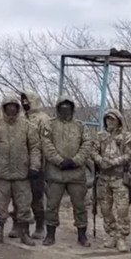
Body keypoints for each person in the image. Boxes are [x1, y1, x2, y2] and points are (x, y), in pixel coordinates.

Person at [0, 94, 41, 245]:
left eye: (14, 106)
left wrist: (34, 166)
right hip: (1, 174)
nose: (11, 109)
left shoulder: (27, 126)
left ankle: (25, 233)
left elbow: (35, 148)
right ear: (4, 108)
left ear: (18, 108)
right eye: (8, 106)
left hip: (22, 174)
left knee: (24, 205)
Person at [40, 94, 94, 246]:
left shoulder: (80, 126)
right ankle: (50, 235)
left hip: (76, 173)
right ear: (57, 109)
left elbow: (87, 144)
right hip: (55, 173)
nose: (65, 110)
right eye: (62, 108)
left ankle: (82, 236)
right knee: (51, 205)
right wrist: (59, 160)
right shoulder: (49, 125)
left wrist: (75, 161)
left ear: (72, 109)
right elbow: (46, 144)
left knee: (80, 205)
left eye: (68, 108)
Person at [92, 109, 131, 252]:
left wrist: (114, 162)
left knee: (122, 209)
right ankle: (111, 234)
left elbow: (130, 154)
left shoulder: (126, 137)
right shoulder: (100, 136)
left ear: (118, 121)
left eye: (112, 119)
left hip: (119, 178)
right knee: (105, 209)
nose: (109, 122)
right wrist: (100, 161)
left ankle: (121, 237)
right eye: (107, 119)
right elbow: (93, 152)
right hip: (103, 179)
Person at [19, 91, 50, 239]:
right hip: (20, 164)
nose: (25, 103)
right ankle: (19, 224)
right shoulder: (20, 117)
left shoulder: (43, 119)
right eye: (23, 100)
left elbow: (46, 142)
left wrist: (40, 164)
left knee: (36, 196)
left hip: (38, 165)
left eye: (27, 100)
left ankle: (40, 226)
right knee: (19, 196)